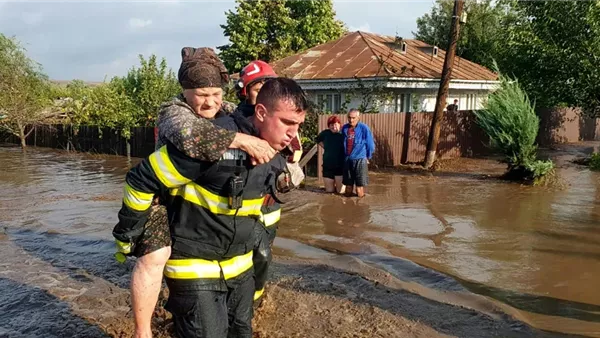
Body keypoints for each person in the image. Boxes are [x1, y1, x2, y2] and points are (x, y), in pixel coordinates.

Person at [113, 77, 309, 338]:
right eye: (287, 123)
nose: (293, 134)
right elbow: (141, 179)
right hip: (194, 267)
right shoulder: (212, 143)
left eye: (298, 125)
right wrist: (129, 233)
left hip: (239, 268)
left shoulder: (275, 148)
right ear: (261, 112)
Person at [235, 60, 302, 303]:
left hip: (270, 201)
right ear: (245, 91)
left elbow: (295, 152)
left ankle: (256, 296)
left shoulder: (284, 120)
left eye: (267, 85)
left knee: (263, 254)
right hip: (244, 200)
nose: (263, 90)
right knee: (248, 254)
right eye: (257, 87)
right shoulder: (236, 121)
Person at [341, 109, 375, 198]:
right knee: (348, 186)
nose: (351, 120)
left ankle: (360, 207)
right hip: (347, 160)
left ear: (358, 118)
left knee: (359, 187)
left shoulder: (364, 128)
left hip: (360, 159)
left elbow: (370, 144)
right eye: (349, 117)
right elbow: (342, 143)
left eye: (353, 118)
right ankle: (347, 207)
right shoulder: (344, 128)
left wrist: (368, 157)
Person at [316, 115, 345, 193]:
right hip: (328, 166)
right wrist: (326, 147)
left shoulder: (343, 133)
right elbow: (317, 140)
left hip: (341, 166)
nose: (333, 126)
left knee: (340, 192)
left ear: (339, 124)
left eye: (335, 124)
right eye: (331, 125)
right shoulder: (325, 133)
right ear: (328, 126)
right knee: (329, 191)